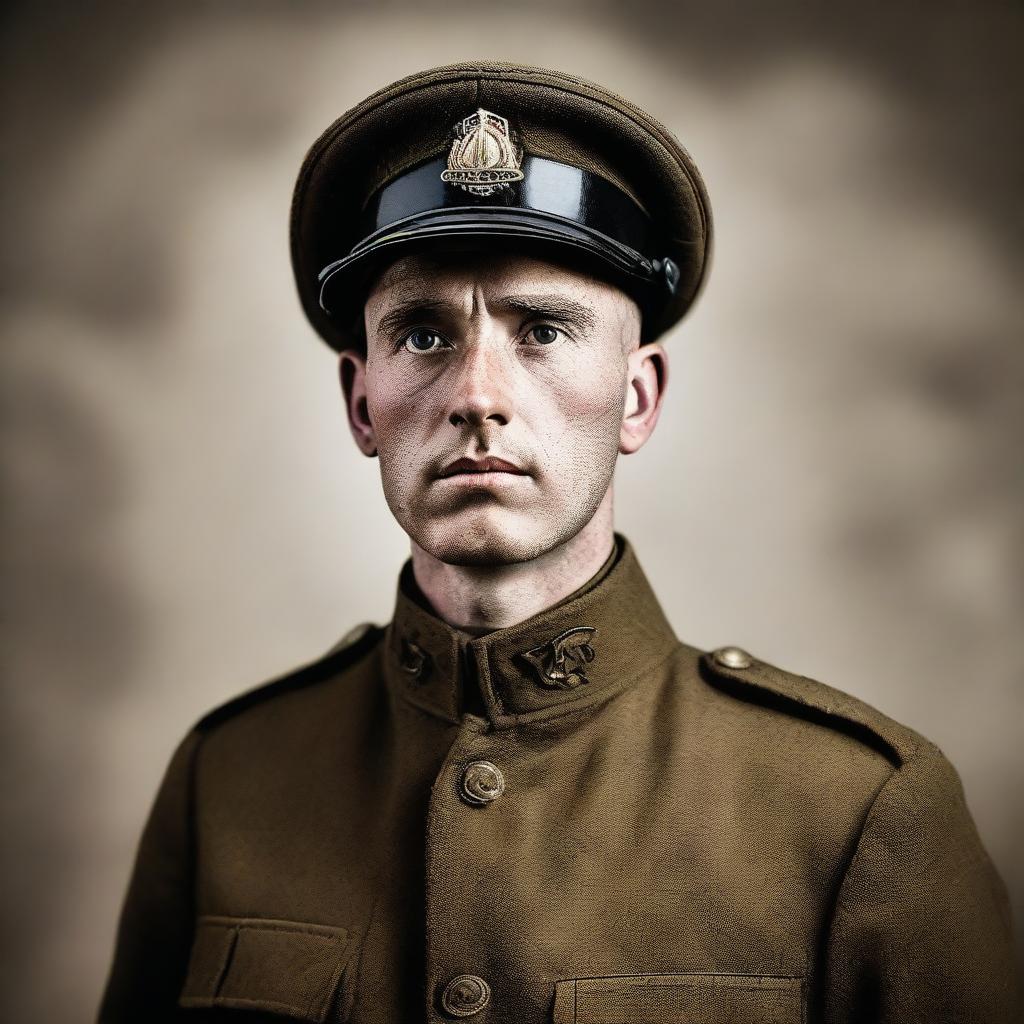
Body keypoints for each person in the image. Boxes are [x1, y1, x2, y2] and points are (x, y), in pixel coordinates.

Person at [98, 62, 1019, 1023]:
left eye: (542, 329)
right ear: (359, 401)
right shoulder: (230, 779)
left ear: (638, 396)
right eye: (420, 335)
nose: (476, 395)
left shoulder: (856, 809)